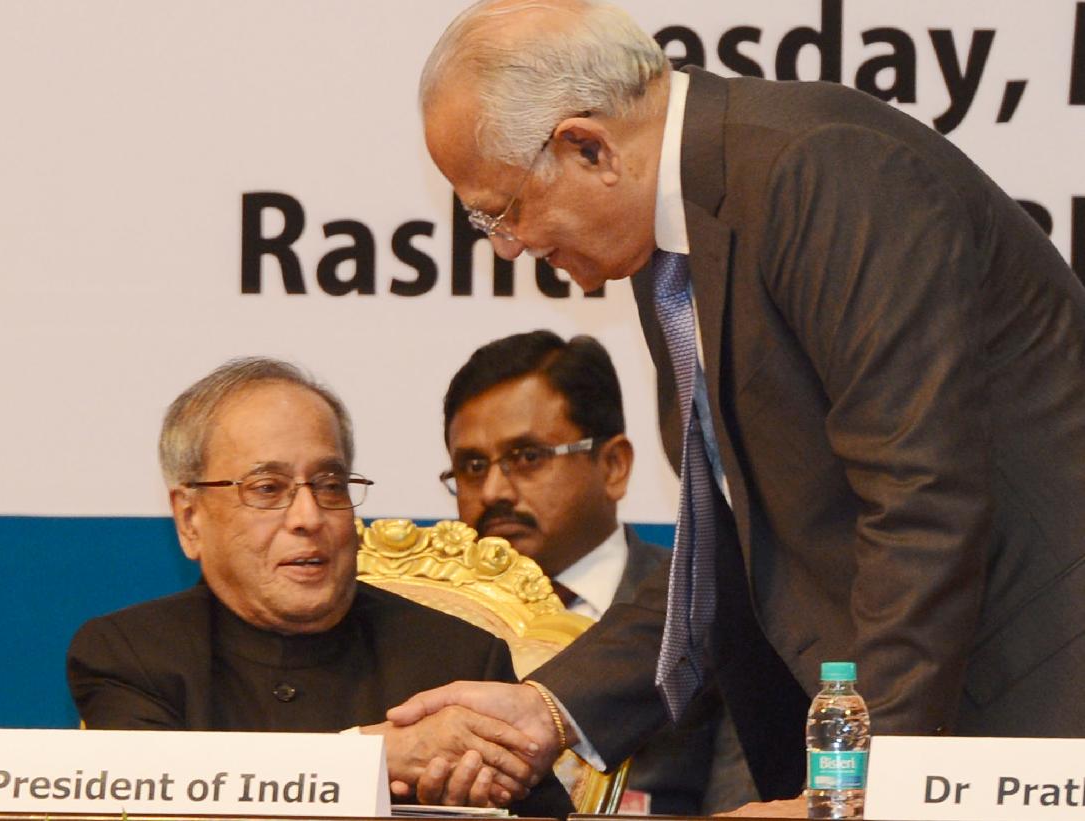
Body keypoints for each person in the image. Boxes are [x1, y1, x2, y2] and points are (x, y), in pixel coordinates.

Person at [390, 0, 1085, 815]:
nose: (507, 245)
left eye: (504, 209)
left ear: (588, 146)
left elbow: (923, 501)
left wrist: (857, 787)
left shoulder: (825, 169)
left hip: (1030, 705)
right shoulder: (670, 240)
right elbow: (731, 541)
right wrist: (553, 708)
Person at [66, 356, 572, 816]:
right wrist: (373, 759)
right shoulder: (129, 656)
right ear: (189, 518)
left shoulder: (460, 659)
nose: (309, 517)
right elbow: (156, 796)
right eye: (268, 489)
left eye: (330, 485)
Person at [442, 329, 737, 814]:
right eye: (472, 466)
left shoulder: (709, 605)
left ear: (614, 465)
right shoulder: (431, 618)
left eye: (527, 457)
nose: (493, 491)